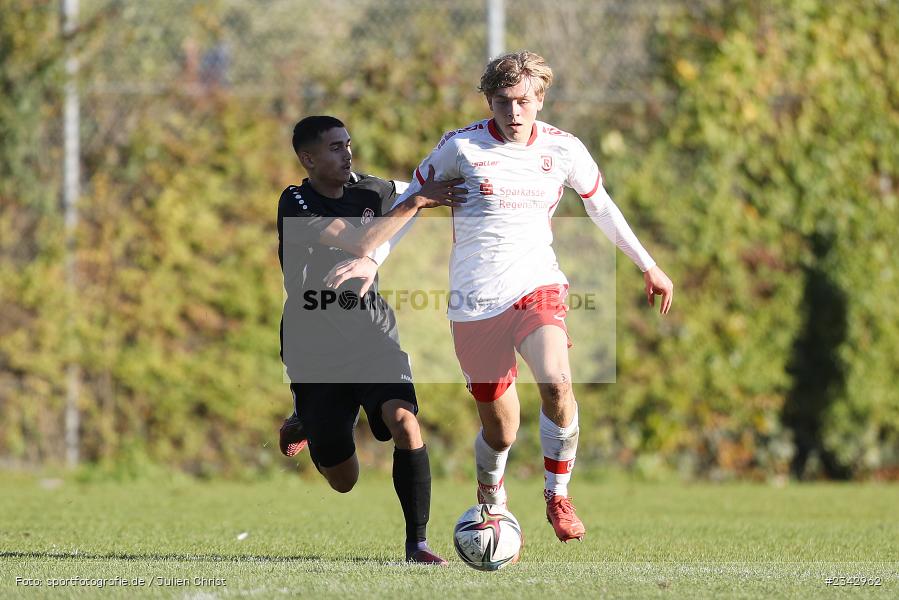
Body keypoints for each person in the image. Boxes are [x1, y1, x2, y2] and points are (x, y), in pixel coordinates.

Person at [325, 52, 674, 543]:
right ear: (489, 100)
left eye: (525, 101)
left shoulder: (564, 149)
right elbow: (413, 204)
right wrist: (372, 258)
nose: (514, 112)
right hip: (474, 302)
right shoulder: (460, 147)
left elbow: (602, 207)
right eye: (503, 102)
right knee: (501, 432)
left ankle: (558, 494)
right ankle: (492, 496)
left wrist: (649, 265)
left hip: (537, 287)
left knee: (556, 382)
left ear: (541, 98)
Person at [277, 115, 465, 564]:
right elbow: (362, 244)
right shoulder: (296, 200)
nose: (347, 154)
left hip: (371, 333)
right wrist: (415, 202)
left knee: (404, 421)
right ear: (308, 158)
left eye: (348, 144)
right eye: (335, 148)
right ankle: (306, 415)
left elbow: (431, 183)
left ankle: (417, 544)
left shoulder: (374, 189)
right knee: (344, 480)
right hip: (314, 345)